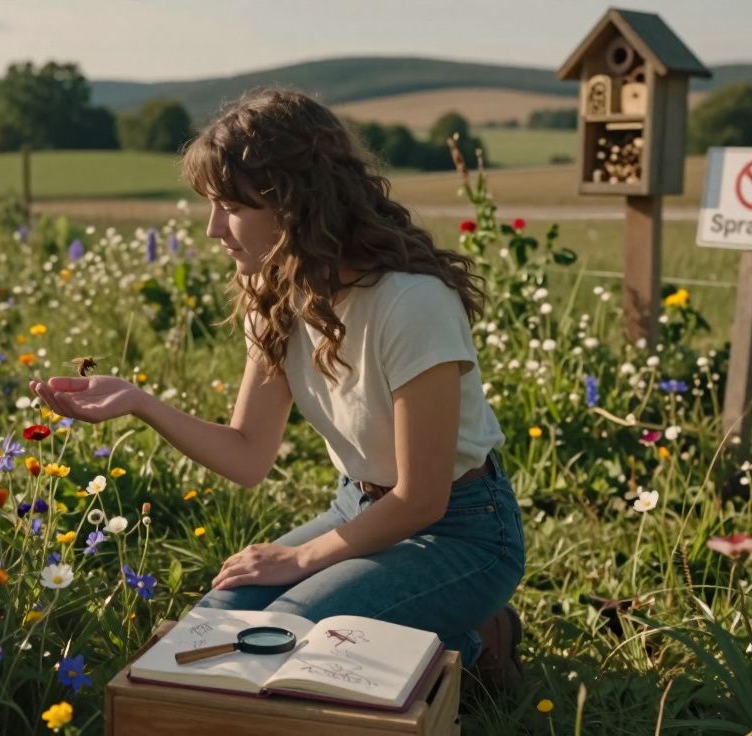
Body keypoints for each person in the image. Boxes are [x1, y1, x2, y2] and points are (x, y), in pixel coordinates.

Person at [28, 87, 525, 691]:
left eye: (230, 206)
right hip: (360, 508)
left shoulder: (411, 303)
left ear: (294, 203)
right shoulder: (276, 302)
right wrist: (140, 402)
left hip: (463, 528)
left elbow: (423, 500)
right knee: (216, 620)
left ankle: (478, 647)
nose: (213, 229)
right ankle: (456, 634)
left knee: (289, 632)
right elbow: (246, 455)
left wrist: (298, 560)